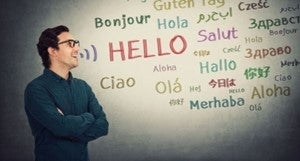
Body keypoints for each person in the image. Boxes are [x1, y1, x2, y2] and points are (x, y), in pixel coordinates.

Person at [24, 25, 109, 161]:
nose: (77, 48)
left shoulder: (83, 86)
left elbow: (103, 126)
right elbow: (61, 127)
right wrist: (89, 117)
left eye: (76, 43)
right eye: (70, 44)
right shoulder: (36, 89)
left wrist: (67, 126)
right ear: (53, 51)